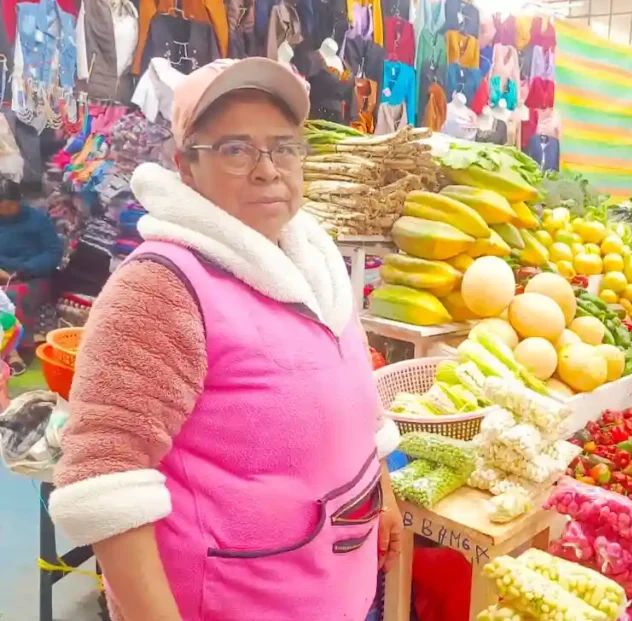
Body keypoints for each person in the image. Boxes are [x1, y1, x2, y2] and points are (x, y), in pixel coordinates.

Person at [49, 57, 402, 621]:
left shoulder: (314, 259)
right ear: (185, 166)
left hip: (340, 584)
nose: (268, 170)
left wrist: (383, 490)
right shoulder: (161, 287)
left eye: (284, 146)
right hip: (237, 602)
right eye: (236, 149)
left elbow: (353, 396)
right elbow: (106, 477)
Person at [0, 178, 63, 374]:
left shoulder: (37, 220)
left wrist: (26, 269)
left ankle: (14, 352)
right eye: (2, 206)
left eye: (10, 206)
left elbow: (54, 252)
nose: (6, 210)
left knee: (12, 297)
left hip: (32, 276)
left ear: (19, 202)